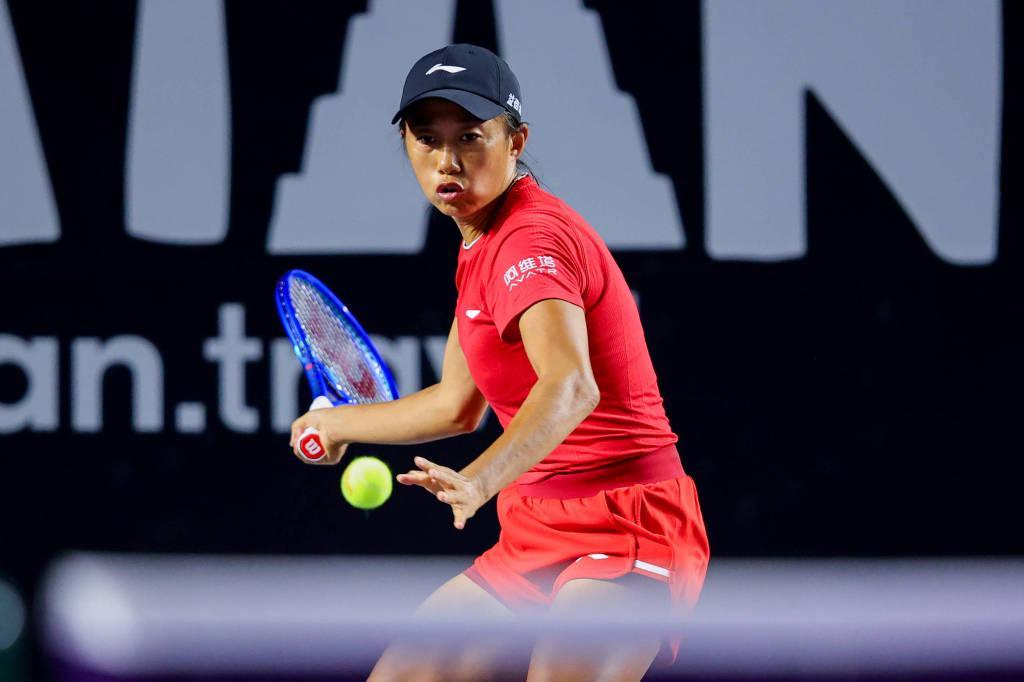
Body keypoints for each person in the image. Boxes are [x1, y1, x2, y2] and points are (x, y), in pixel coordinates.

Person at [290, 43, 709, 682]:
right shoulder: (481, 243)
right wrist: (338, 424)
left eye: (471, 137)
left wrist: (479, 482)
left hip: (628, 521)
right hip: (535, 525)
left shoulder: (529, 238)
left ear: (516, 141)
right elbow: (457, 406)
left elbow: (571, 386)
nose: (448, 161)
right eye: (427, 139)